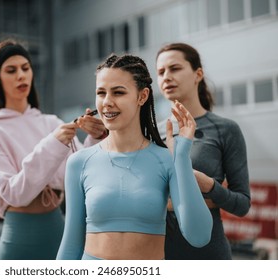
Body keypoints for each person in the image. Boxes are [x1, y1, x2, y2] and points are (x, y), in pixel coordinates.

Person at [56, 53, 213, 260]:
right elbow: (71, 244)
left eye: (118, 92)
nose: (107, 102)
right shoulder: (79, 162)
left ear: (142, 96)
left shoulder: (167, 160)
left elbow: (199, 236)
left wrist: (182, 157)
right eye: (101, 93)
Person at [0, 38, 107, 260]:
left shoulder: (51, 122)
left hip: (60, 231)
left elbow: (80, 177)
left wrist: (96, 138)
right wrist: (53, 143)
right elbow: (14, 193)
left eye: (25, 68)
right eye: (11, 70)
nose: (21, 75)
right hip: (19, 238)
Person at [155, 42, 251, 260]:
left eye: (175, 68)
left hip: (207, 255)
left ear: (198, 74)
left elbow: (242, 204)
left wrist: (208, 185)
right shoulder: (152, 132)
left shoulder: (225, 129)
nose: (166, 77)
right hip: (158, 254)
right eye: (161, 72)